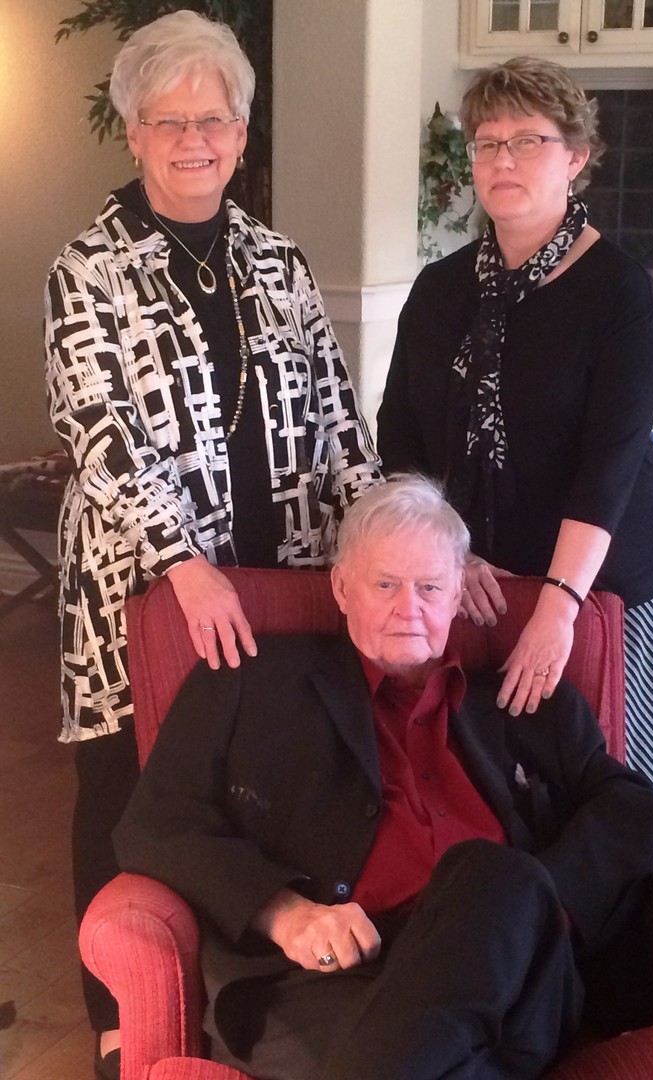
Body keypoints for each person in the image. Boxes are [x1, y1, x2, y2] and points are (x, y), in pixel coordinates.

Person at [43, 11, 381, 1075]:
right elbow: (97, 430)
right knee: (127, 782)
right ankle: (121, 1013)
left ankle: (253, 979)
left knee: (254, 773)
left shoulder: (278, 261)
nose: (195, 140)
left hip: (277, 573)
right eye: (170, 120)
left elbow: (337, 422)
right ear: (134, 133)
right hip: (140, 579)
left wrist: (379, 541)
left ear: (243, 132)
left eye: (216, 119)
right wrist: (183, 565)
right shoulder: (88, 268)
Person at [114, 475, 653, 1080]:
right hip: (330, 983)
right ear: (342, 587)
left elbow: (652, 821)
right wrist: (286, 914)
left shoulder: (522, 704)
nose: (408, 608)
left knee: (495, 874)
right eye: (386, 584)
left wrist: (535, 907)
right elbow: (155, 824)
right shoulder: (251, 682)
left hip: (515, 987)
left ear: (456, 596)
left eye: (430, 587)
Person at [377, 57, 653, 802]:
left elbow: (610, 465)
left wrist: (558, 605)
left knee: (612, 780)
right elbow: (401, 435)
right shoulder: (439, 289)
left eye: (528, 141)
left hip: (600, 583)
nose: (502, 159)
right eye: (487, 142)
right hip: (474, 579)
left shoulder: (619, 293)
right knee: (494, 783)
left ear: (575, 157)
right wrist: (454, 550)